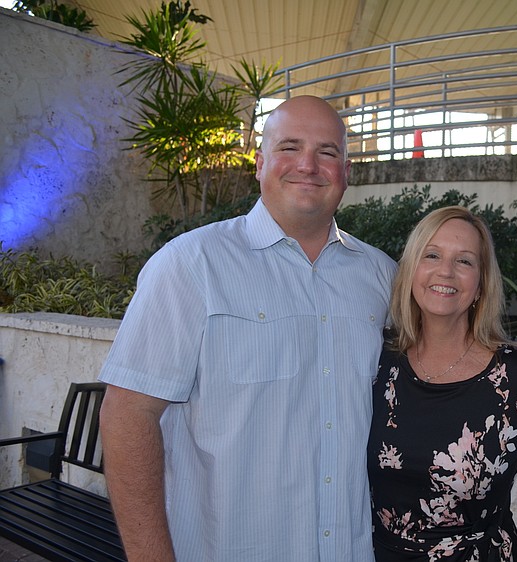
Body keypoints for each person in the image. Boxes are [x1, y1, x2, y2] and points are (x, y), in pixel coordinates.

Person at [98, 95, 397, 562]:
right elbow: (127, 415)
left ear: (347, 170)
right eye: (289, 147)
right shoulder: (190, 265)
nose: (308, 165)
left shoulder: (381, 276)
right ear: (258, 164)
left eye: (327, 152)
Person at [368, 206, 517, 561]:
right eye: (431, 255)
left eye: (464, 261)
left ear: (481, 283)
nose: (445, 271)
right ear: (411, 270)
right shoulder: (377, 360)